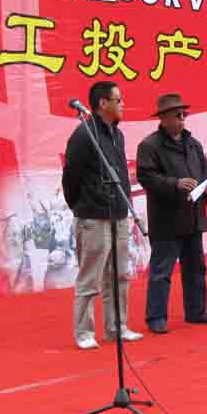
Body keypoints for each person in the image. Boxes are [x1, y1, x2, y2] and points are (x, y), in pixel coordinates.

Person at [62, 81, 143, 350]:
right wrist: (82, 206)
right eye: (118, 100)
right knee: (91, 277)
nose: (123, 104)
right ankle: (84, 331)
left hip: (118, 213)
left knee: (119, 275)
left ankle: (116, 326)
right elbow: (70, 178)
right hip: (93, 216)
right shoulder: (84, 135)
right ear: (102, 104)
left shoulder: (117, 135)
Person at [137, 93, 207, 333]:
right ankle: (156, 317)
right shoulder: (150, 145)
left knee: (196, 268)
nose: (183, 119)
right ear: (163, 118)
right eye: (178, 115)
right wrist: (175, 184)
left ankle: (196, 311)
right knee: (162, 271)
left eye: (184, 114)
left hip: (193, 216)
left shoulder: (193, 144)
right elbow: (146, 177)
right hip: (167, 219)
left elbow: (206, 171)